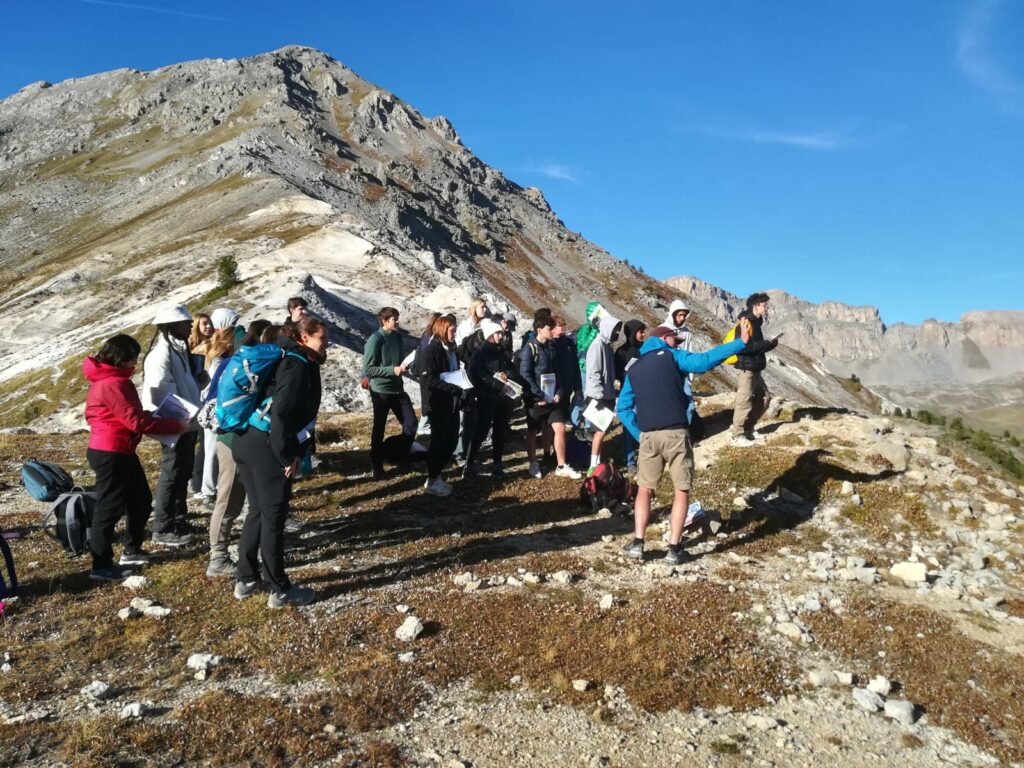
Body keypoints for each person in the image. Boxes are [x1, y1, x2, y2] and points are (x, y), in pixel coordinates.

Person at [616, 326, 746, 563]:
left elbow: (622, 407)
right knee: (681, 489)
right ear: (664, 338)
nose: (677, 344)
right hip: (675, 433)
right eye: (674, 340)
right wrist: (740, 343)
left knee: (644, 489)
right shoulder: (672, 356)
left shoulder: (634, 367)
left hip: (648, 436)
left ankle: (638, 542)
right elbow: (704, 362)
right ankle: (674, 548)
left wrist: (640, 434)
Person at [233, 316, 327, 608]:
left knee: (258, 511)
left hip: (246, 439)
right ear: (304, 337)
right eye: (323, 338)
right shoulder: (296, 364)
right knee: (273, 519)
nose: (327, 343)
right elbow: (281, 414)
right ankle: (280, 589)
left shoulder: (286, 354)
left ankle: (246, 578)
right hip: (268, 446)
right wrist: (285, 455)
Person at [83, 335, 188, 581]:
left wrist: (156, 417)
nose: (135, 363)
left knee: (140, 499)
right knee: (109, 508)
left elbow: (132, 415)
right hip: (111, 452)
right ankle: (101, 565)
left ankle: (131, 550)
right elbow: (135, 421)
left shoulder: (115, 380)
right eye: (133, 357)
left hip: (122, 449)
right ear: (120, 358)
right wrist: (176, 426)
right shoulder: (111, 384)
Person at [142, 304, 202, 547]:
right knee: (172, 473)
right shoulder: (161, 355)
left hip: (185, 422)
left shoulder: (178, 350)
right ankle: (162, 526)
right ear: (171, 326)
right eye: (185, 323)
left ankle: (178, 519)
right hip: (175, 424)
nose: (190, 325)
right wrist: (178, 423)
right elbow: (159, 394)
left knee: (182, 472)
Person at [520, 316, 581, 480]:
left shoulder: (550, 347)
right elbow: (525, 375)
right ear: (539, 330)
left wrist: (559, 391)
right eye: (549, 328)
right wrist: (538, 395)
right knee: (533, 430)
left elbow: (556, 371)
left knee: (559, 427)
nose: (552, 331)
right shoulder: (529, 349)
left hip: (552, 396)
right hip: (536, 399)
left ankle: (561, 465)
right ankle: (533, 463)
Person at [362, 307, 417, 479]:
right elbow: (369, 368)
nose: (398, 322)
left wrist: (406, 366)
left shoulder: (398, 337)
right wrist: (392, 370)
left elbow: (398, 362)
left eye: (397, 318)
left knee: (411, 423)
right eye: (394, 319)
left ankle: (402, 457)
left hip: (397, 388)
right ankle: (376, 463)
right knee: (379, 426)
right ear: (385, 321)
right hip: (381, 390)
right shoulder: (375, 339)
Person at [196, 308, 240, 507]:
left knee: (213, 447)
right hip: (215, 404)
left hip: (214, 403)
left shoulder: (212, 347)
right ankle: (208, 489)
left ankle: (212, 487)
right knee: (212, 447)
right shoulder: (216, 351)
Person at [416, 314, 464, 496]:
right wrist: (454, 389)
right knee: (439, 443)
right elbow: (428, 379)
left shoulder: (451, 350)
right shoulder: (431, 350)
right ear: (443, 330)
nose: (454, 333)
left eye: (455, 330)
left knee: (451, 442)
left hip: (451, 402)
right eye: (452, 330)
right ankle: (432, 479)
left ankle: (436, 477)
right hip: (437, 403)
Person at [464, 319, 515, 479]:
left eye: (501, 333)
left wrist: (507, 375)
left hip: (502, 397)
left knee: (500, 431)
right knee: (481, 430)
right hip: (486, 397)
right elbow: (476, 374)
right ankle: (469, 464)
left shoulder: (502, 351)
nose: (501, 336)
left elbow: (512, 368)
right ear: (489, 335)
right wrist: (495, 384)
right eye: (497, 333)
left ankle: (497, 465)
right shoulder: (480, 353)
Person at [730, 292, 780, 446]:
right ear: (755, 306)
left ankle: (748, 429)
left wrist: (770, 345)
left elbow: (755, 347)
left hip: (755, 366)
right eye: (764, 305)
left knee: (764, 398)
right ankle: (737, 435)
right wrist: (764, 344)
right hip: (746, 367)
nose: (767, 308)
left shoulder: (756, 323)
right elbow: (741, 347)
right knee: (744, 400)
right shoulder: (745, 322)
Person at [583, 314, 622, 474]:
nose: (617, 333)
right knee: (599, 432)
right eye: (615, 330)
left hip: (607, 395)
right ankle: (592, 465)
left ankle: (597, 461)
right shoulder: (597, 345)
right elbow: (593, 372)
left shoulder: (607, 346)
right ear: (607, 329)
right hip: (598, 397)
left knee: (602, 431)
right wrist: (598, 396)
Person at [614, 320, 647, 472]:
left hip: (644, 392)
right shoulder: (621, 352)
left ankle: (646, 457)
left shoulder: (646, 349)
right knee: (629, 426)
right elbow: (616, 374)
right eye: (640, 332)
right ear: (632, 333)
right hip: (628, 394)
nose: (643, 334)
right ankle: (630, 460)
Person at [187, 313, 213, 499]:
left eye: (210, 323)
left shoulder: (213, 345)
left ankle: (197, 480)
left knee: (203, 443)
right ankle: (196, 481)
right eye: (204, 323)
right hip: (197, 400)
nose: (208, 326)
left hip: (205, 399)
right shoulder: (193, 350)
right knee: (199, 444)